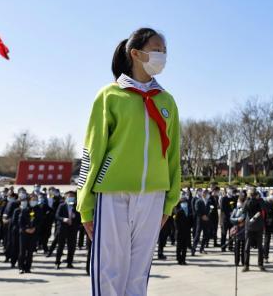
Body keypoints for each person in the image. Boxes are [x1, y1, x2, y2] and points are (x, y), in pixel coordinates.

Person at [76, 28, 181, 296]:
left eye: (165, 51)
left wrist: (170, 200)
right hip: (112, 194)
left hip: (154, 197)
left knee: (138, 276)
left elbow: (173, 156)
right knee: (109, 272)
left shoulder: (167, 100)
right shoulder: (110, 95)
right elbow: (92, 151)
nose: (163, 56)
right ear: (136, 53)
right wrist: (85, 204)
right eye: (158, 49)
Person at [54, 191, 80, 269]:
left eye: (72, 197)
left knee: (71, 247)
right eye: (69, 197)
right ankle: (57, 262)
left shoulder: (77, 207)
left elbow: (79, 218)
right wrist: (64, 219)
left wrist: (75, 216)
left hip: (72, 229)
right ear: (65, 198)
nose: (71, 198)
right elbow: (57, 216)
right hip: (63, 229)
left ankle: (69, 262)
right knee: (60, 246)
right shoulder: (62, 206)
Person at [242, 187, 265, 272]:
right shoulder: (247, 201)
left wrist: (259, 199)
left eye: (253, 194)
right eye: (251, 194)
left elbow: (265, 208)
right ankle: (246, 265)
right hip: (249, 226)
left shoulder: (260, 201)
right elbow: (243, 210)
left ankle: (260, 264)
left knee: (260, 247)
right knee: (247, 247)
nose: (252, 195)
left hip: (258, 226)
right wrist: (248, 199)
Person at [18, 193, 42, 274]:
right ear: (29, 200)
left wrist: (34, 228)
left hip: (34, 233)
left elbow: (40, 221)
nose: (34, 201)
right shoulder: (25, 209)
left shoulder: (39, 209)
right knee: (22, 251)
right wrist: (26, 229)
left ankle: (28, 267)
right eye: (32, 200)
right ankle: (21, 267)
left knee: (30, 252)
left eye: (35, 200)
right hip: (24, 233)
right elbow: (20, 222)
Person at [173, 192, 193, 265]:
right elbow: (175, 221)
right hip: (179, 231)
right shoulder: (177, 209)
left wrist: (190, 227)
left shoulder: (188, 210)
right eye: (183, 202)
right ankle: (179, 258)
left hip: (187, 231)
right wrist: (177, 229)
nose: (185, 203)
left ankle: (183, 259)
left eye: (185, 202)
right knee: (179, 246)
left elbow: (191, 220)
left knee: (185, 246)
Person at [230, 196, 247, 267]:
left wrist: (243, 221)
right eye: (238, 201)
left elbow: (246, 218)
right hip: (237, 230)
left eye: (239, 201)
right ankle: (236, 262)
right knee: (236, 248)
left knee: (244, 248)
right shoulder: (235, 209)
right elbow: (231, 219)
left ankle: (244, 261)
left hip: (243, 231)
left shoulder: (245, 210)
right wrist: (237, 221)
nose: (238, 203)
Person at [192, 188, 210, 255]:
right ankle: (193, 250)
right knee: (197, 235)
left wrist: (207, 216)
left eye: (207, 193)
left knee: (205, 235)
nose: (205, 194)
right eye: (204, 193)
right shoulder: (198, 201)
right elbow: (196, 209)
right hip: (200, 220)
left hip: (206, 221)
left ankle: (202, 248)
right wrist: (202, 216)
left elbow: (210, 209)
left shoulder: (208, 201)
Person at [220, 187, 237, 252]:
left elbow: (235, 207)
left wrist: (233, 212)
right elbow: (222, 208)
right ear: (227, 191)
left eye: (231, 190)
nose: (231, 191)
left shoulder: (234, 198)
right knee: (224, 233)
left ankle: (230, 246)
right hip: (225, 218)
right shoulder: (224, 198)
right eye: (230, 190)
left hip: (232, 219)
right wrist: (229, 212)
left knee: (231, 233)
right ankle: (223, 246)